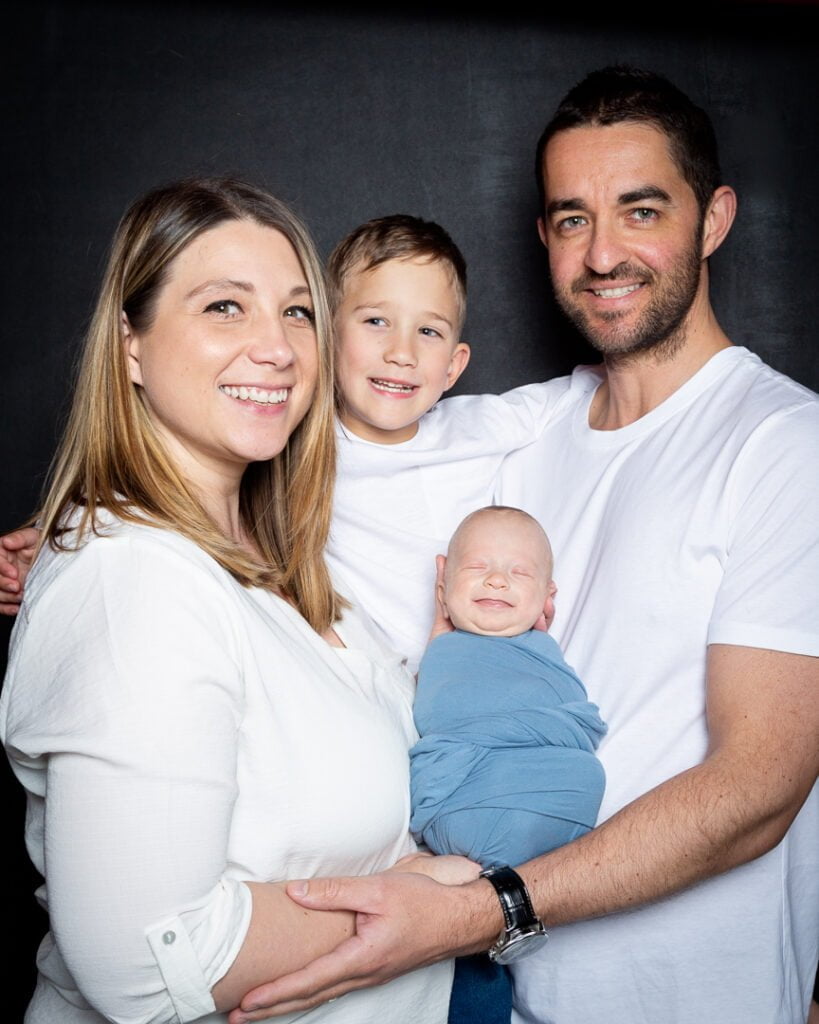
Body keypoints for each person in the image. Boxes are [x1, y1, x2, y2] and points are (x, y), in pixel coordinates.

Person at [224, 66, 819, 1024]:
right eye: (571, 218)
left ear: (712, 220)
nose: (603, 252)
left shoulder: (784, 443)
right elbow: (298, 465)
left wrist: (478, 911)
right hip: (501, 996)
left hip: (694, 1001)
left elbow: (758, 787)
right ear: (544, 236)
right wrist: (112, 523)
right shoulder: (517, 435)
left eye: (640, 210)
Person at [0, 176, 471, 1023]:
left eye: (297, 313)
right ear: (131, 344)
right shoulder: (133, 577)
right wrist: (415, 905)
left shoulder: (295, 571)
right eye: (224, 307)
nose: (279, 348)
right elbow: (148, 962)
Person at [410, 505, 606, 1024]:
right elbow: (439, 711)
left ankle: (476, 881)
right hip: (469, 803)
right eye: (476, 568)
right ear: (443, 582)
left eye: (518, 573)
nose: (497, 578)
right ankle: (470, 877)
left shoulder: (544, 653)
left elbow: (571, 716)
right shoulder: (445, 651)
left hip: (546, 828)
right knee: (467, 969)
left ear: (547, 597)